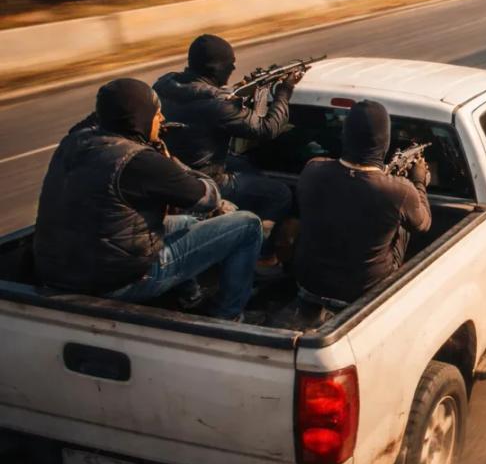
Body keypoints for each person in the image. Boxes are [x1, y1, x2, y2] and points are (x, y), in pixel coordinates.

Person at [33, 79, 262, 320]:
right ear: (139, 118)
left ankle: (190, 296)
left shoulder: (73, 142)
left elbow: (98, 118)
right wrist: (168, 157)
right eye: (156, 113)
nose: (162, 119)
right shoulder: (140, 160)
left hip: (57, 272)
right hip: (119, 281)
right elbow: (208, 198)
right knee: (247, 225)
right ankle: (229, 315)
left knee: (187, 223)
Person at [153, 34, 299, 258]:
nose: (233, 70)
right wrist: (284, 93)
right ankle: (259, 252)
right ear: (215, 68)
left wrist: (241, 93)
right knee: (280, 194)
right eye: (230, 66)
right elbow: (266, 129)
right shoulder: (217, 103)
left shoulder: (164, 85)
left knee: (246, 164)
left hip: (170, 170)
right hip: (205, 179)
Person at [294, 100, 431, 305]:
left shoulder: (312, 169)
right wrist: (419, 182)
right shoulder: (400, 191)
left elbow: (351, 189)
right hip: (365, 294)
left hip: (309, 284)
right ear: (385, 143)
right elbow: (424, 224)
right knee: (405, 221)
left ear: (345, 137)